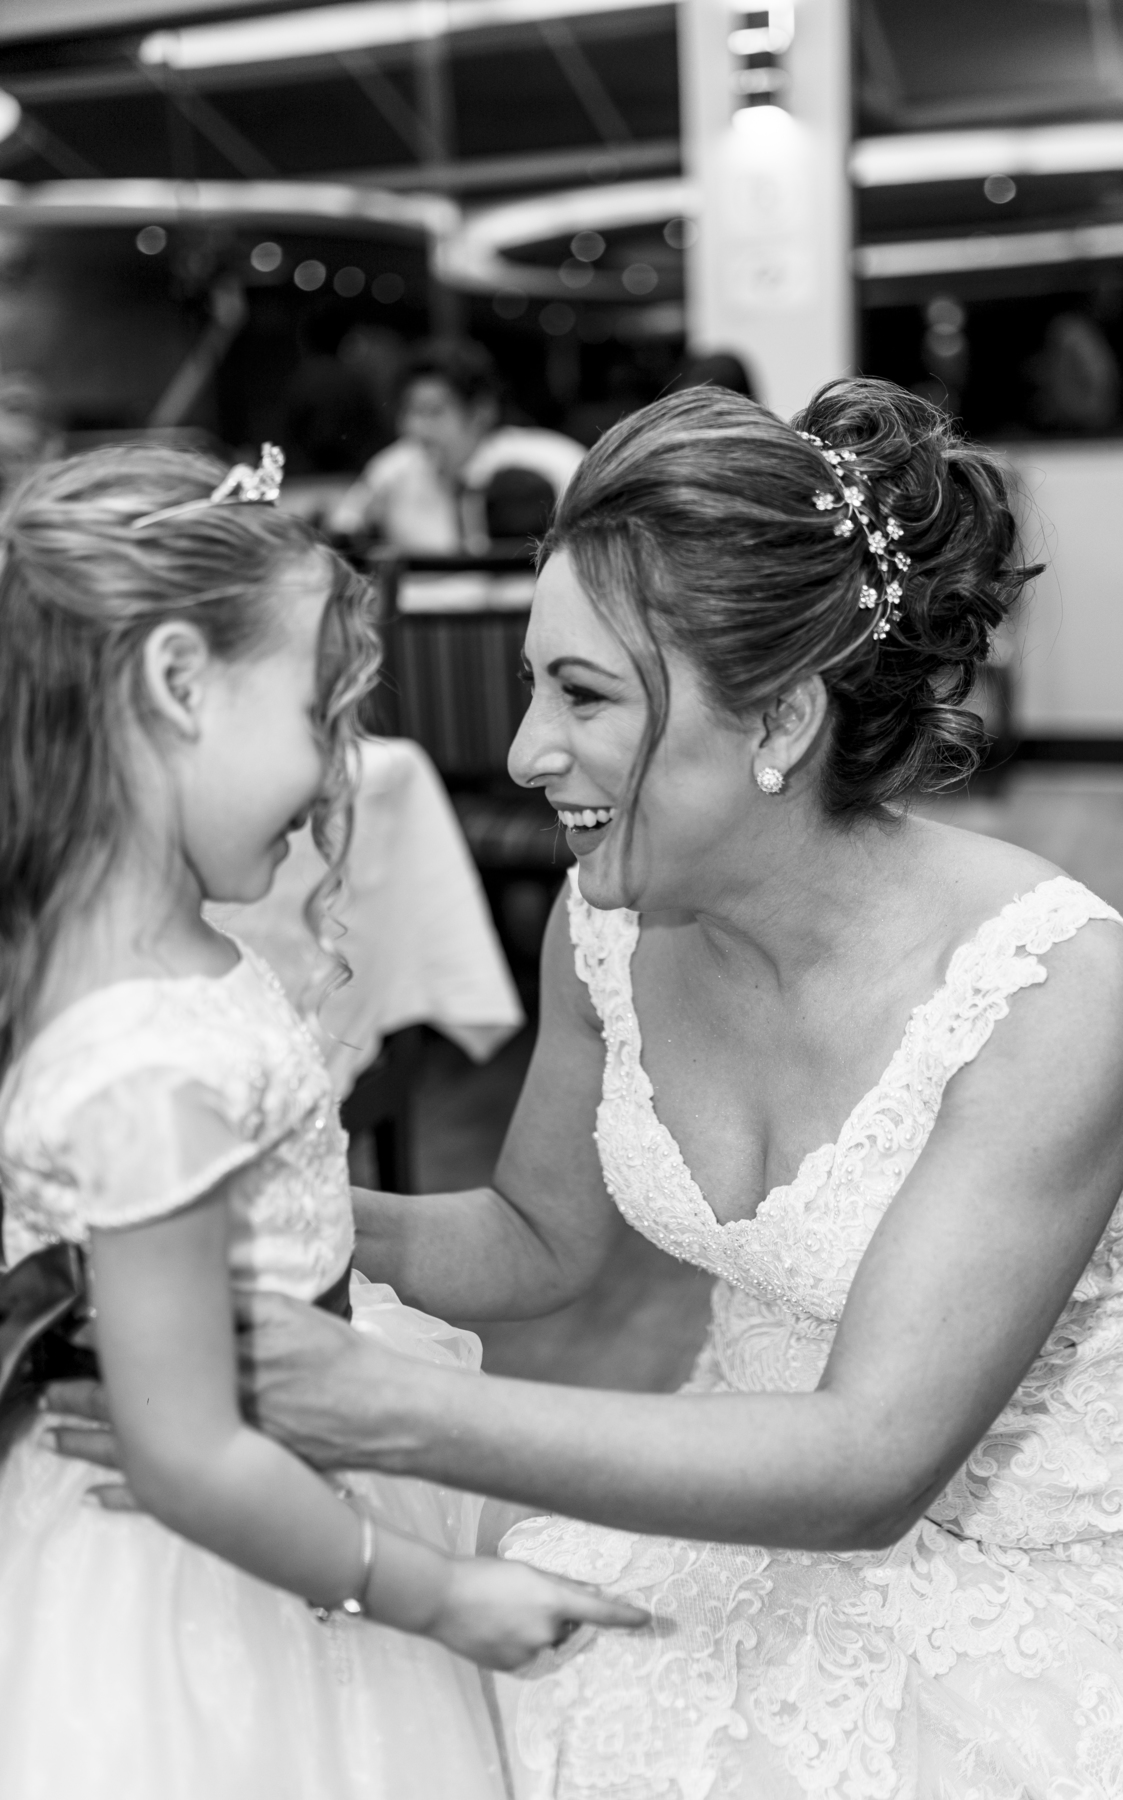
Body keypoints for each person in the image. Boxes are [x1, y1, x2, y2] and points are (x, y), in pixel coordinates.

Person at [57, 385, 1123, 1796]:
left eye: (584, 694)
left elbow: (868, 1463)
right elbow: (535, 1239)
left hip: (1039, 1578)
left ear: (779, 717)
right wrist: (264, 1214)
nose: (525, 750)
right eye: (535, 683)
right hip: (749, 1502)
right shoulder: (603, 925)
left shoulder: (1050, 987)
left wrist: (378, 1402)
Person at [0, 442, 643, 1800]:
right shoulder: (144, 1059)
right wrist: (434, 1595)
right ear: (179, 684)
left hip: (286, 1486)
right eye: (315, 714)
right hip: (212, 1584)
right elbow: (185, 1450)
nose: (337, 771)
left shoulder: (158, 960)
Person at [328, 338, 583, 554]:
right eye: (408, 411)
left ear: (481, 412)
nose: (413, 428)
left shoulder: (553, 462)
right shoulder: (394, 468)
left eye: (433, 411)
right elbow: (344, 528)